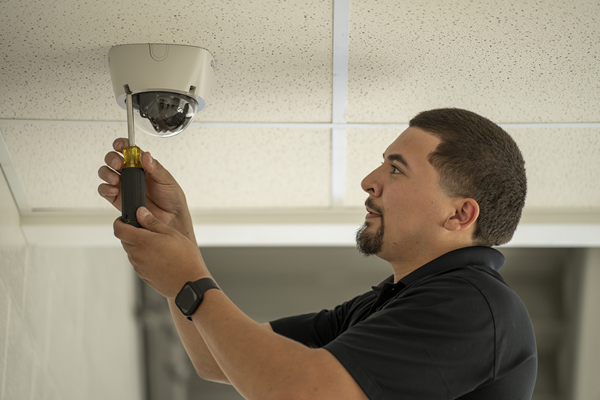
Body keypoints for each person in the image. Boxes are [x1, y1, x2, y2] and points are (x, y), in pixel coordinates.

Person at [98, 108, 537, 400]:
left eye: (397, 169)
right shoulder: (388, 304)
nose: (369, 180)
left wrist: (189, 280)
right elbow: (216, 359)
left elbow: (300, 393)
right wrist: (177, 235)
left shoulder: (476, 307)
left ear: (460, 214)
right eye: (382, 163)